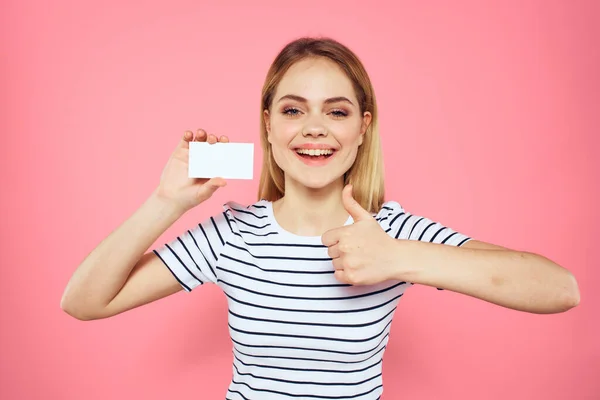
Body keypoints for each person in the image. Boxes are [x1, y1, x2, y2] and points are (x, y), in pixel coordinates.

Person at [61, 37, 580, 399]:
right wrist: (166, 202)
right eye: (292, 110)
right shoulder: (231, 234)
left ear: (362, 129)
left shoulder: (392, 234)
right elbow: (84, 302)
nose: (314, 128)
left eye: (336, 111)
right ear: (267, 126)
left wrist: (402, 257)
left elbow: (559, 289)